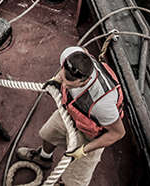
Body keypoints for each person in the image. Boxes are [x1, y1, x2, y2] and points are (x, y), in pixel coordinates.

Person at [16, 46, 126, 186]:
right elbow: (83, 50)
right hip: (72, 114)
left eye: (70, 85)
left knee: (75, 180)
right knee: (48, 133)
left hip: (90, 134)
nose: (64, 85)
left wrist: (84, 150)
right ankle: (43, 158)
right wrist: (56, 79)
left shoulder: (102, 104)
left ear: (84, 82)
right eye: (63, 78)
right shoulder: (70, 55)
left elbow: (118, 133)